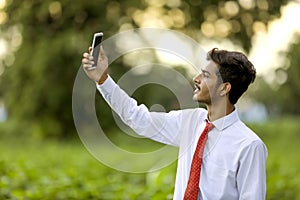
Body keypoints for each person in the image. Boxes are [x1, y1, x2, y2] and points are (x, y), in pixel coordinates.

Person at [82, 45, 268, 200]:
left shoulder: (249, 146)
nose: (196, 79)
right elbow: (138, 118)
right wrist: (103, 79)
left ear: (224, 88)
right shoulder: (190, 122)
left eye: (206, 75)